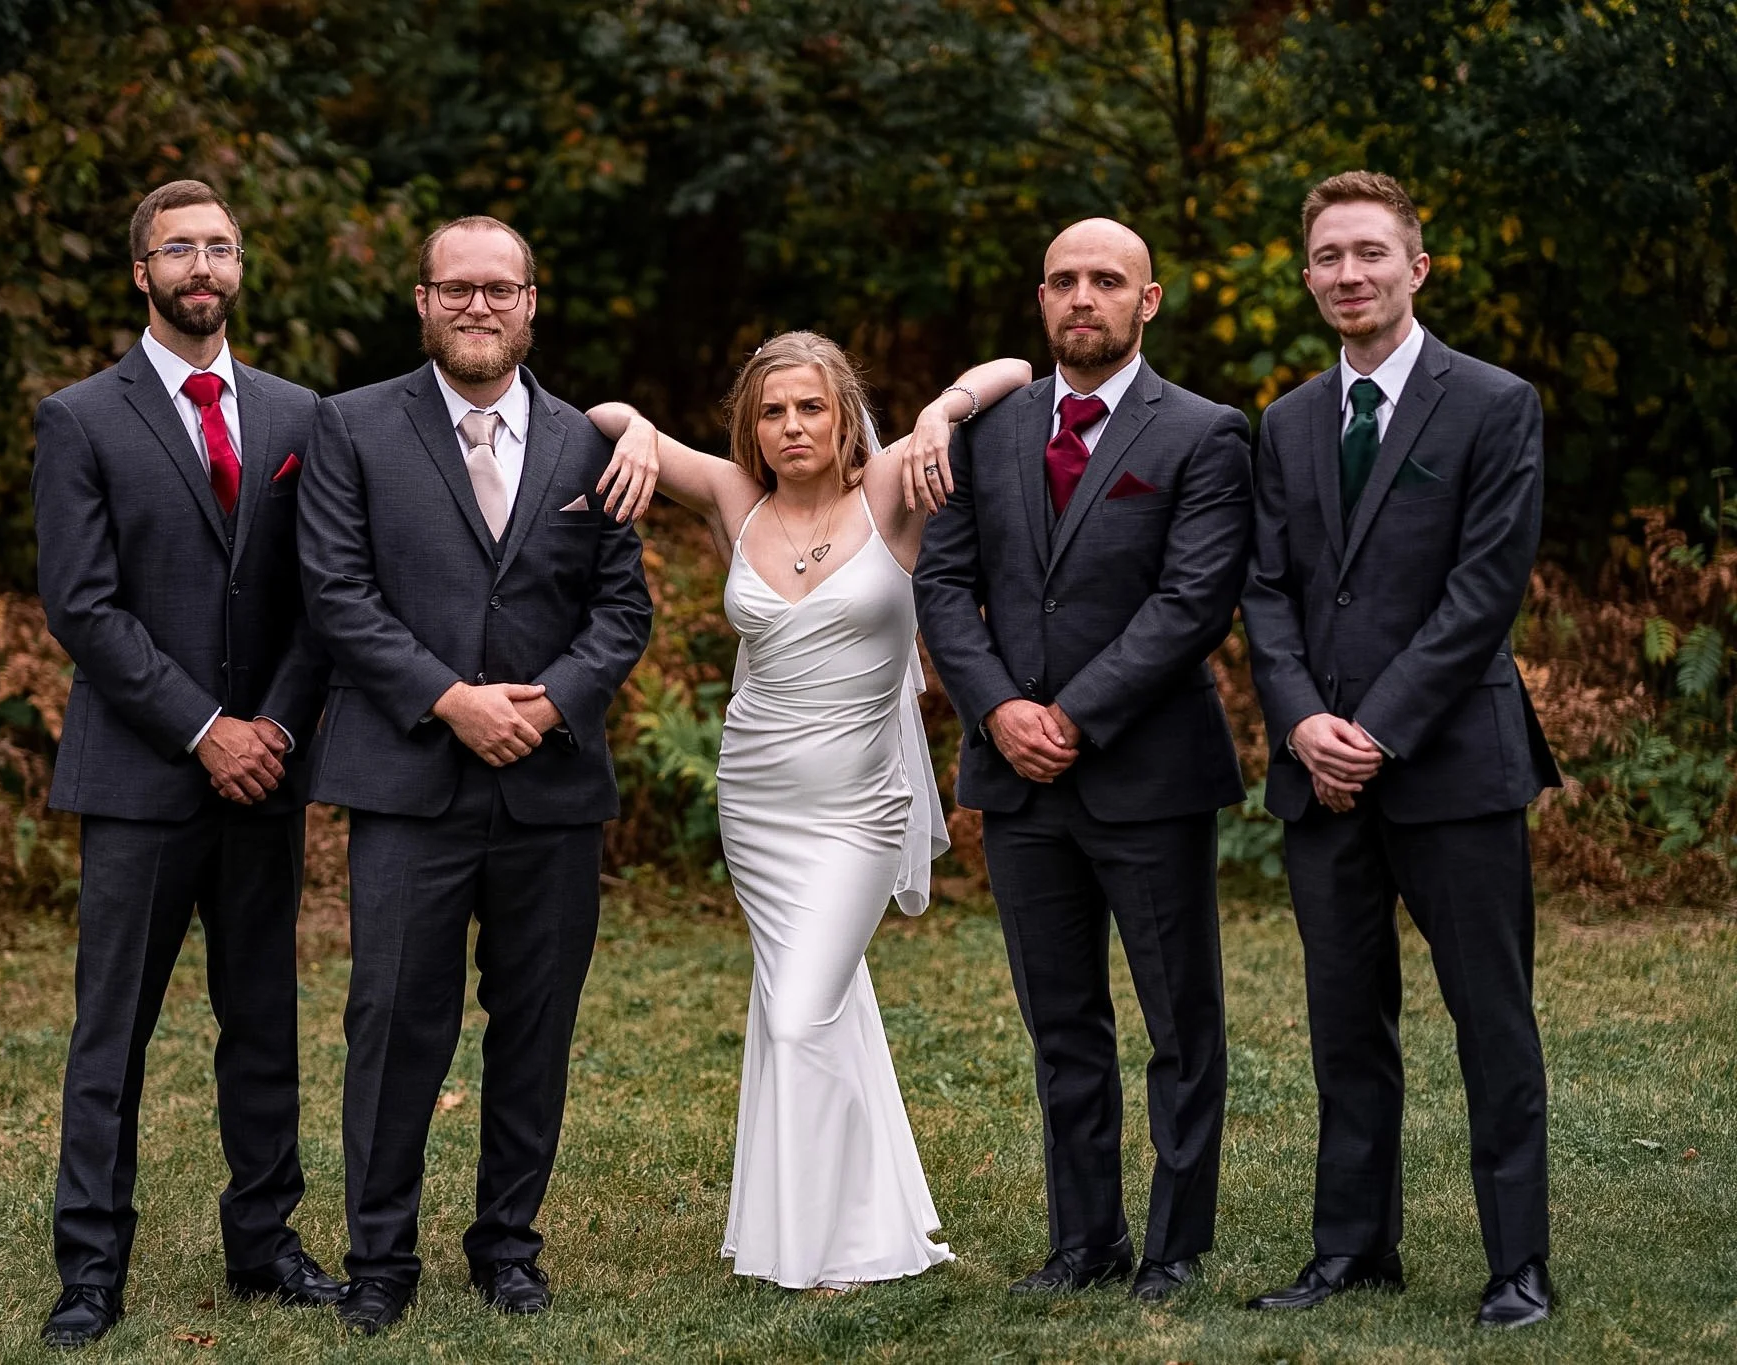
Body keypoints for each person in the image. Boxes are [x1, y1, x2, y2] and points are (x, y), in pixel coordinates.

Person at [588, 332, 1031, 1289]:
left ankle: (834, 1238)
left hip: (861, 804)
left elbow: (1016, 374)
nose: (792, 426)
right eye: (772, 411)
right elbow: (599, 420)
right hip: (757, 797)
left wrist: (938, 411)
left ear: (843, 415)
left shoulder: (894, 490)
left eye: (812, 407)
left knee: (801, 1012)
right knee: (817, 1006)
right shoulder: (733, 501)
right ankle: (841, 1223)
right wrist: (631, 431)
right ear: (751, 426)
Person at [297, 216, 654, 1337]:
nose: (477, 307)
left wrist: (547, 703)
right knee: (394, 1019)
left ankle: (507, 1247)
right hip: (408, 780)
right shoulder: (351, 426)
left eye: (499, 289)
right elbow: (336, 593)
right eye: (455, 289)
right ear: (421, 302)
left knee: (533, 1024)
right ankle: (379, 1258)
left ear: (531, 303)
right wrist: (450, 700)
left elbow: (622, 609)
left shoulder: (590, 444)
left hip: (550, 788)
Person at [1239, 171, 1560, 1329]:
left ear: (1414, 268)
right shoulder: (1280, 423)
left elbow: (1482, 590)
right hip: (1315, 771)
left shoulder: (1490, 403)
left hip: (1451, 761)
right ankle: (1351, 1249)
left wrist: (1372, 730)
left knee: (1491, 1017)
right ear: (1309, 272)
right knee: (1344, 1021)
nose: (1347, 275)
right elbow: (1263, 591)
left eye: (1368, 253)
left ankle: (1515, 1264)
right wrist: (1299, 723)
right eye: (1327, 257)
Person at [914, 220, 1253, 1303]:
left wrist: (1073, 714)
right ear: (1040, 298)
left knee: (1177, 1024)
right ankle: (1083, 1242)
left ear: (1146, 302)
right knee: (1060, 1025)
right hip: (1016, 780)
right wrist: (1001, 710)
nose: (1082, 297)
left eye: (1106, 281)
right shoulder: (989, 430)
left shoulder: (1202, 434)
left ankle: (1173, 1247)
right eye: (1062, 280)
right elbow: (941, 585)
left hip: (1146, 773)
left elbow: (1191, 601)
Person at [31, 179, 337, 1349]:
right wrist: (205, 729)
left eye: (219, 247)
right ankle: (90, 1270)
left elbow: (325, 601)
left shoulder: (301, 416)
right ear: (141, 272)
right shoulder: (81, 418)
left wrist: (272, 731)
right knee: (113, 1029)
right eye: (177, 250)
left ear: (240, 266)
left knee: (261, 1020)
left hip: (268, 770)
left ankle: (264, 1244)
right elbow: (85, 606)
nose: (200, 266)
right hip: (140, 775)